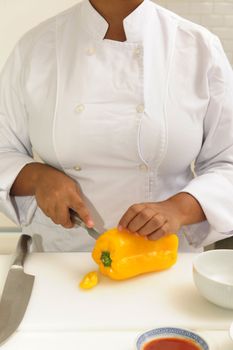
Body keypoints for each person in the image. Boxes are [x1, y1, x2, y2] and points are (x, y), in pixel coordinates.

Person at [0, 0, 233, 252]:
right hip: (61, 258)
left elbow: (228, 163)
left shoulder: (199, 47)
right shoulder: (35, 48)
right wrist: (37, 177)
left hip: (165, 259)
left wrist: (178, 208)